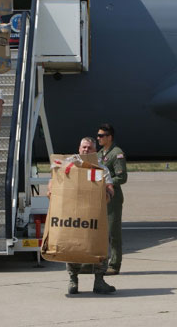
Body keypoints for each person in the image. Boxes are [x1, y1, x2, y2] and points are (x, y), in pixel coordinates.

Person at [51, 137, 116, 295]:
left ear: (95, 151)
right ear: (79, 148)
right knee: (73, 244)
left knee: (100, 246)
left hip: (94, 214)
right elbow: (54, 182)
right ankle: (73, 280)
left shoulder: (100, 169)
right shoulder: (68, 165)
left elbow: (110, 188)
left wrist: (107, 194)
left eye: (89, 148)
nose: (86, 150)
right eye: (84, 148)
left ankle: (99, 281)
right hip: (73, 213)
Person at [97, 123, 127, 275]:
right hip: (101, 197)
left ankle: (114, 265)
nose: (98, 138)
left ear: (110, 137)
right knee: (101, 232)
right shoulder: (100, 154)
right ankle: (99, 262)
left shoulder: (117, 153)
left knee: (113, 233)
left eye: (101, 136)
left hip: (113, 197)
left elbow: (122, 177)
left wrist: (107, 182)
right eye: (98, 135)